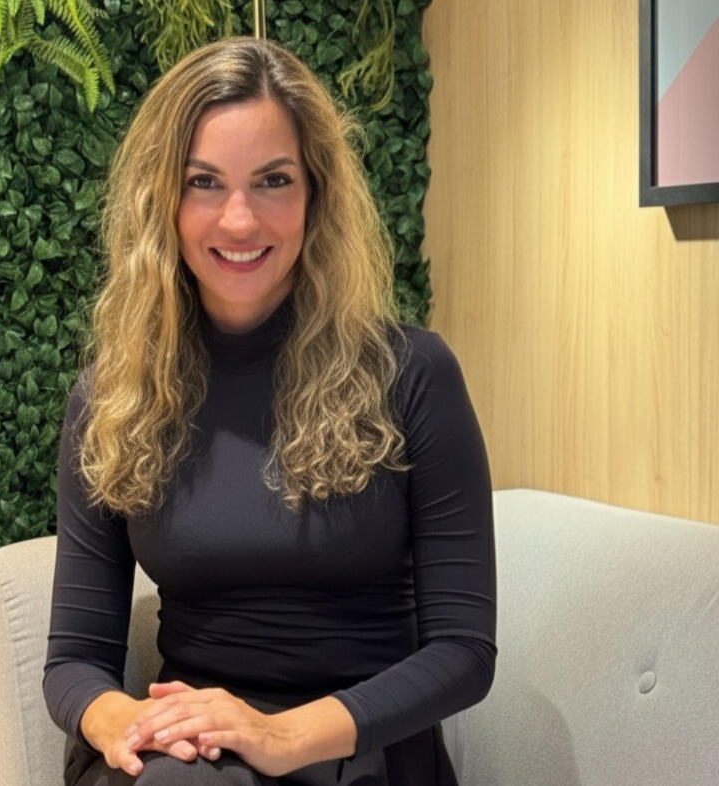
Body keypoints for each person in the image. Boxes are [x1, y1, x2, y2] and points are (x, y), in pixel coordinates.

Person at [43, 36, 496, 786]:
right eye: (204, 182)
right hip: (190, 755)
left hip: (358, 752)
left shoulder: (410, 374)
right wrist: (122, 721)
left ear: (317, 194)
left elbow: (464, 653)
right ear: (161, 202)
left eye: (273, 181)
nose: (239, 220)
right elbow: (74, 659)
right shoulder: (113, 397)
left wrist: (281, 734)